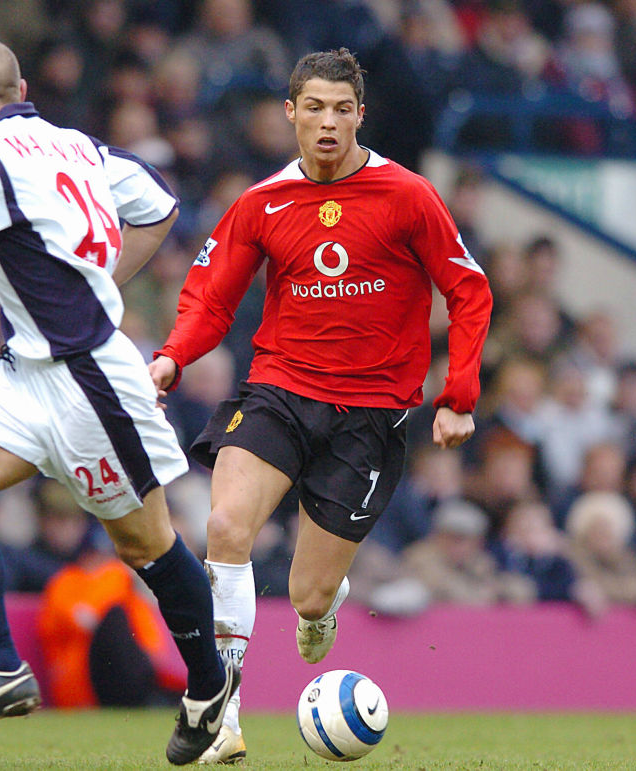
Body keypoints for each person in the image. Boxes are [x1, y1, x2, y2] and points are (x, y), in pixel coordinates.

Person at [0, 39, 235, 765]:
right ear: (24, 86)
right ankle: (2, 667)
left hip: (90, 380)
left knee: (145, 545)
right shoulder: (78, 146)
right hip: (27, 368)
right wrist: (107, 280)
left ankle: (210, 687)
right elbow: (159, 206)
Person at [148, 48, 493, 763]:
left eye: (342, 109)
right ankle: (223, 712)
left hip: (370, 414)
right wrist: (173, 355)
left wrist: (458, 393)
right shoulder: (260, 202)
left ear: (360, 115)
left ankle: (324, 606)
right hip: (279, 390)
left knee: (307, 595)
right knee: (225, 525)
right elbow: (212, 297)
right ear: (290, 115)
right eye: (314, 109)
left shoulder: (408, 196)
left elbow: (468, 289)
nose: (328, 123)